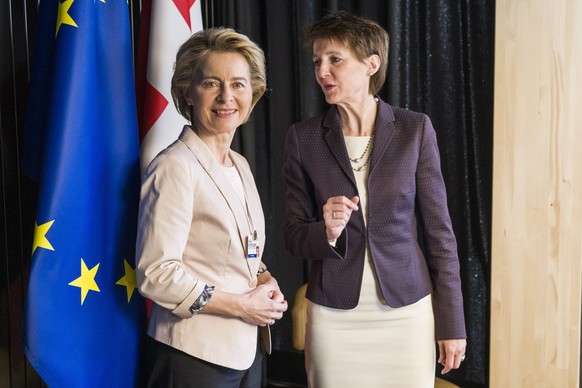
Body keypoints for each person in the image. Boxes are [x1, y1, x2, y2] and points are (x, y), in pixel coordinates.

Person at [283, 10, 467, 387]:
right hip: (333, 317)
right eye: (317, 61)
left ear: (372, 64)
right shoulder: (303, 138)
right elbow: (292, 234)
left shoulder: (414, 129)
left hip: (407, 314)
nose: (322, 71)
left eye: (335, 59)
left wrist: (452, 324)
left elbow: (440, 235)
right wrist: (327, 231)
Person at [136, 27, 288, 387]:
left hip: (245, 351)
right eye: (210, 84)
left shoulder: (239, 164)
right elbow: (156, 273)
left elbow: (234, 252)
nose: (226, 96)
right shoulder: (174, 166)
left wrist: (264, 278)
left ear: (253, 93)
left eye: (238, 84)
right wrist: (242, 305)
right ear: (188, 92)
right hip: (192, 355)